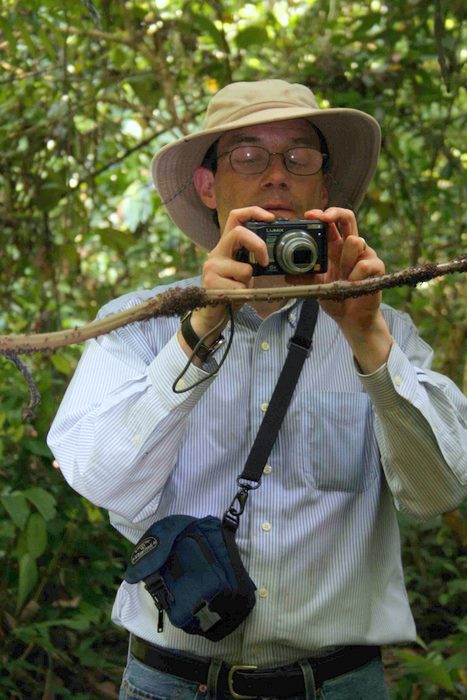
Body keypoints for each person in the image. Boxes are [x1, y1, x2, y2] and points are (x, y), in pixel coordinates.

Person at [47, 79, 467, 700]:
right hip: (172, 682)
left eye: (300, 158)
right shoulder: (139, 326)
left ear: (324, 187)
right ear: (208, 186)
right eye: (247, 156)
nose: (276, 175)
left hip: (337, 683)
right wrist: (198, 329)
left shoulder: (383, 331)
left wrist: (368, 338)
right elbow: (100, 478)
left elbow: (440, 490)